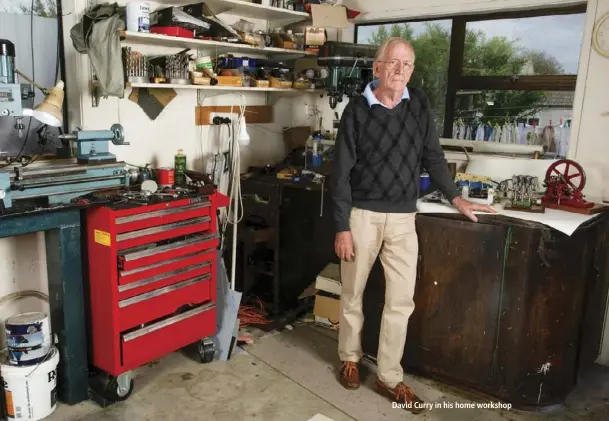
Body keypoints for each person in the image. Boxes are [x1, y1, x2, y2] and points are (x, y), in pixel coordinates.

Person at [331, 37, 496, 412]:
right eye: (393, 63)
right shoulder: (356, 110)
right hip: (363, 216)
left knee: (400, 302)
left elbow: (433, 158)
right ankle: (350, 359)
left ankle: (390, 377)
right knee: (352, 292)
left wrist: (457, 198)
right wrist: (342, 226)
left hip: (405, 217)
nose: (400, 71)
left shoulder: (417, 104)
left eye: (407, 65)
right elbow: (339, 174)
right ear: (377, 68)